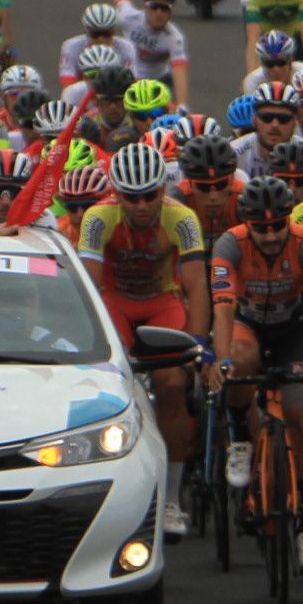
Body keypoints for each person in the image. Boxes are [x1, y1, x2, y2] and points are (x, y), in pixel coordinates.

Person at [78, 142, 208, 534]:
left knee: (172, 384)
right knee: (113, 385)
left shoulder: (182, 218)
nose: (140, 205)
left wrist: (197, 345)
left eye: (150, 195)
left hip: (161, 301)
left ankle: (172, 501)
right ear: (115, 193)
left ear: (162, 190)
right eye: (130, 197)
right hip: (115, 301)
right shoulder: (98, 218)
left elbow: (197, 288)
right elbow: (89, 290)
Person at [210, 176, 303, 569]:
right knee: (238, 360)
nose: (269, 235)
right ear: (247, 224)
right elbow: (223, 309)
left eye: (277, 226)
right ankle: (242, 441)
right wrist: (221, 361)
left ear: (288, 220)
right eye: (260, 228)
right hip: (248, 325)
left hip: (293, 331)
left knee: (301, 418)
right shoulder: (229, 245)